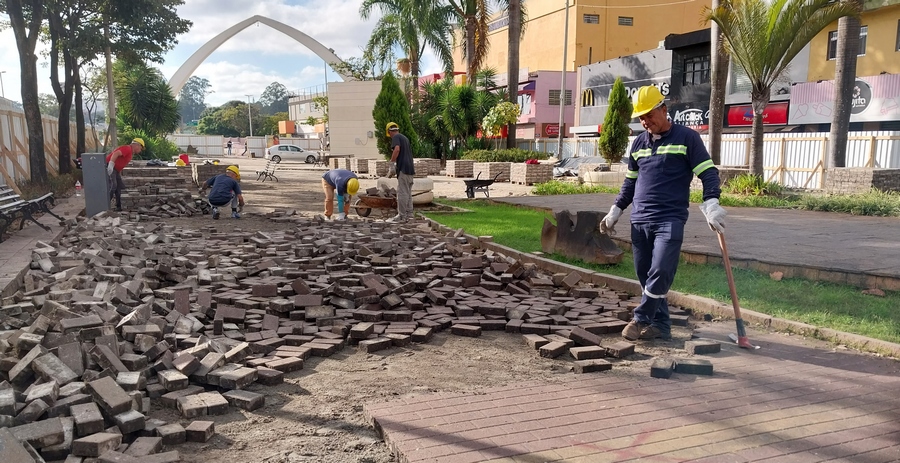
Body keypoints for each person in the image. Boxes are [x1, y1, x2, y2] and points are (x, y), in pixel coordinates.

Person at [600, 85, 727, 341]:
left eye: (649, 115)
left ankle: (640, 319)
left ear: (664, 109)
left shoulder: (687, 138)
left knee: (660, 271)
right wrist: (616, 210)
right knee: (646, 276)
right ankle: (662, 327)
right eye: (641, 118)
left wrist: (711, 203)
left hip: (670, 219)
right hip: (640, 220)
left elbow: (708, 173)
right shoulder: (638, 144)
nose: (646, 122)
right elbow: (630, 184)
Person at [386, 122, 415, 222]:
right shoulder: (405, 138)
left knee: (402, 193)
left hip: (403, 169)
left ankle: (401, 216)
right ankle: (410, 215)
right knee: (408, 193)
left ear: (390, 132)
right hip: (410, 169)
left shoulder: (396, 137)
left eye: (389, 134)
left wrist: (392, 162)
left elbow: (397, 149)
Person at [106, 138, 144, 211]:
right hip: (111, 167)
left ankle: (119, 206)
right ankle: (104, 205)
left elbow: (121, 162)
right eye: (140, 148)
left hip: (116, 170)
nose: (140, 150)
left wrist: (118, 172)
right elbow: (116, 153)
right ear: (137, 145)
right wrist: (111, 164)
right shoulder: (127, 148)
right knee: (113, 185)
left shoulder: (130, 152)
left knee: (120, 186)